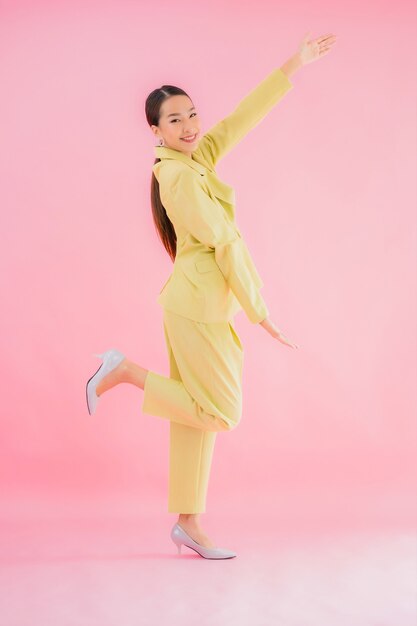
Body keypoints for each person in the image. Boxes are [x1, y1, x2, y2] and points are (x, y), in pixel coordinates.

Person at [85, 32, 337, 559]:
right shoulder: (176, 177)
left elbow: (241, 118)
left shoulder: (195, 159)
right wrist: (261, 313)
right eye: (174, 120)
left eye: (191, 114)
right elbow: (223, 242)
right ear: (154, 129)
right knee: (221, 412)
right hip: (197, 309)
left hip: (195, 305)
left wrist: (294, 63)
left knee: (195, 416)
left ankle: (189, 523)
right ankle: (125, 371)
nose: (189, 126)